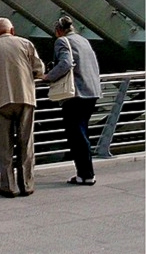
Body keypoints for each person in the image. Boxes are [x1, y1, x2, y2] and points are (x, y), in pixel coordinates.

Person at [0, 17, 44, 198]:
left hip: (0, 100)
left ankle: (8, 187)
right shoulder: (26, 44)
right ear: (12, 31)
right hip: (25, 98)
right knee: (26, 143)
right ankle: (27, 185)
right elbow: (39, 69)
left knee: (4, 146)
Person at [42, 14, 102, 185]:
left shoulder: (62, 41)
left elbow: (66, 63)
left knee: (77, 135)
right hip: (92, 91)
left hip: (76, 94)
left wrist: (48, 77)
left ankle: (86, 174)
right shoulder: (83, 40)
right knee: (82, 132)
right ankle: (85, 173)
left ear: (58, 30)